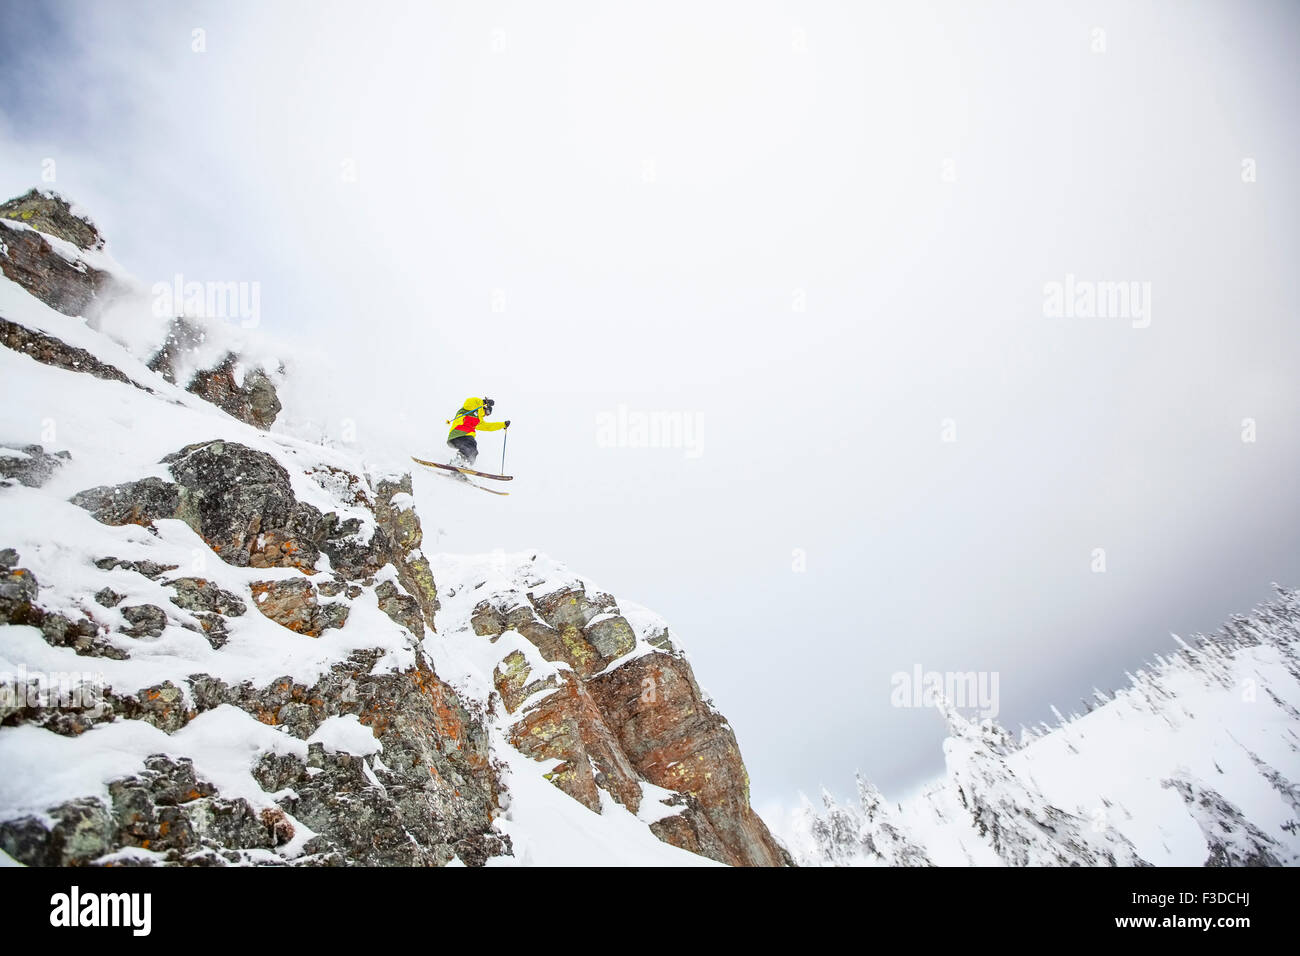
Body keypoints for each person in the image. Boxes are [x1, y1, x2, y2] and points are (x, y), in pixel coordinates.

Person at [446, 396, 509, 468]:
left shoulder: (479, 420)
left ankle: (462, 467)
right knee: (470, 444)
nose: (486, 415)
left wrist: (503, 424)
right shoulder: (470, 409)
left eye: (488, 414)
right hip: (459, 433)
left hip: (465, 437)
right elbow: (469, 401)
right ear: (485, 408)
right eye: (487, 412)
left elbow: (488, 426)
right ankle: (457, 462)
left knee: (474, 452)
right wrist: (484, 402)